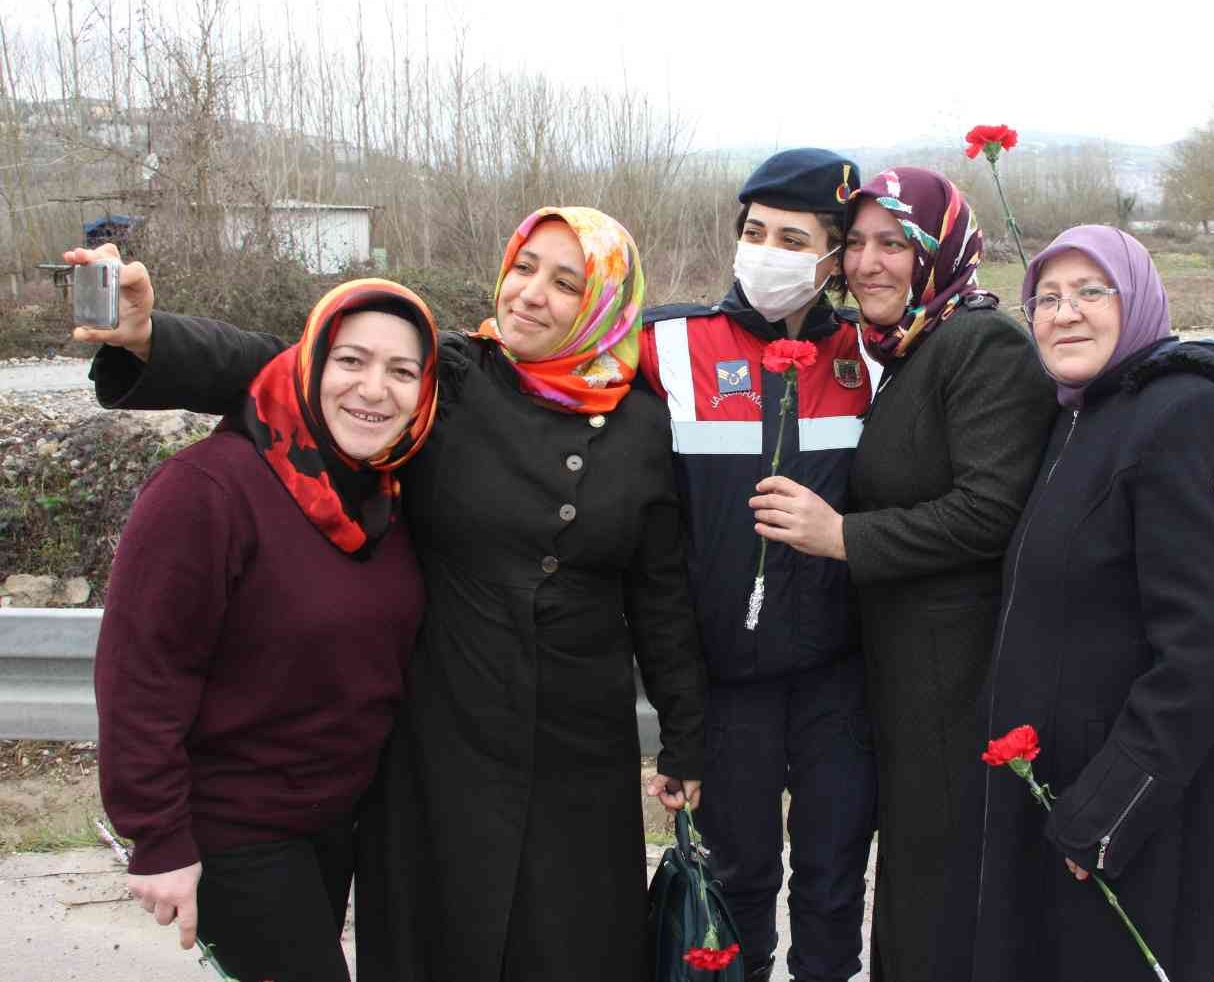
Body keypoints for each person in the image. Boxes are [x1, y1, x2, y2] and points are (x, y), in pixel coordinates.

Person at [72, 207, 706, 981]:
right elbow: (294, 366)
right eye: (524, 267)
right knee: (440, 939)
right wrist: (147, 338)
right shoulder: (453, 378)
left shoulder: (642, 423)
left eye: (566, 282)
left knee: (574, 944)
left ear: (606, 302)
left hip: (580, 742)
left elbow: (660, 592)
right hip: (443, 732)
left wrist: (684, 733)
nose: (531, 293)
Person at [945, 224, 1214, 981]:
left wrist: (1109, 807)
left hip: (1160, 823)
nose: (1064, 313)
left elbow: (1209, 641)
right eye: (1047, 297)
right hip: (1074, 793)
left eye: (1091, 292)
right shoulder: (1079, 413)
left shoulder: (1184, 415)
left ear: (1135, 300)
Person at [749, 166, 1055, 981]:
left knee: (940, 900)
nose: (866, 263)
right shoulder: (912, 350)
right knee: (914, 895)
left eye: (895, 243)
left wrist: (842, 536)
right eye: (853, 244)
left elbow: (991, 512)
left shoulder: (981, 345)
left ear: (941, 250)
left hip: (955, 684)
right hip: (902, 679)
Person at [95, 276, 440, 981]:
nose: (374, 389)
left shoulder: (382, 492)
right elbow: (143, 675)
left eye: (402, 371)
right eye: (350, 361)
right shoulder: (209, 490)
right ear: (307, 363)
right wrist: (158, 836)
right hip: (235, 830)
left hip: (333, 820)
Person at [637, 148, 876, 982]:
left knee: (834, 874)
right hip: (724, 682)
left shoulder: (870, 360)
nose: (766, 250)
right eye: (754, 232)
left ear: (833, 256)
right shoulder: (668, 344)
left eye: (792, 237)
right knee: (735, 882)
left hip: (837, 678)